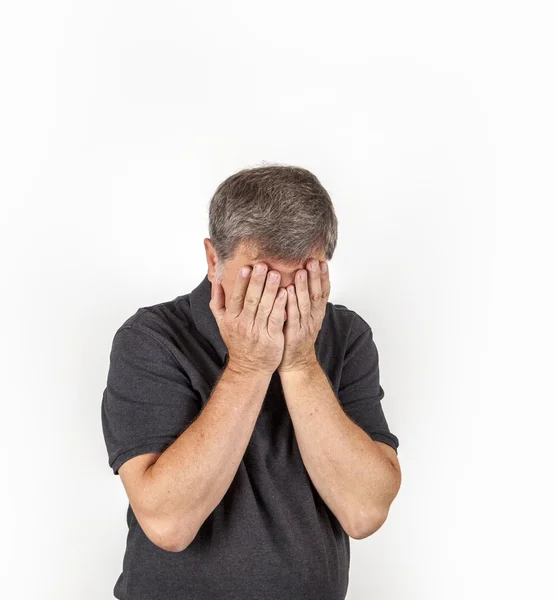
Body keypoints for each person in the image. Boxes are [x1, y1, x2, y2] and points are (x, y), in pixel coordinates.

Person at [101, 164, 402, 600]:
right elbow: (168, 523)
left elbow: (364, 511)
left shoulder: (347, 336)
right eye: (260, 276)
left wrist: (300, 364)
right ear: (213, 260)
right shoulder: (152, 339)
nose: (280, 301)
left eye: (302, 277)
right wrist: (248, 367)